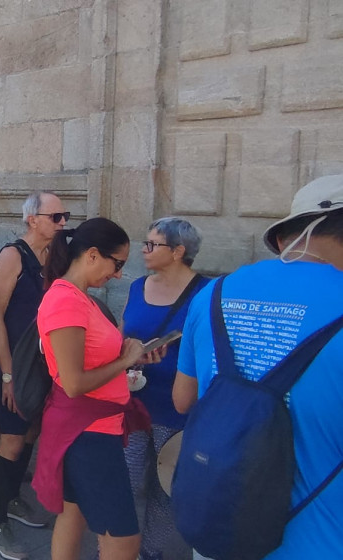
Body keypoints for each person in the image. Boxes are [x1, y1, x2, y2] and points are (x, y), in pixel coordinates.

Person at [172, 174, 343, 559]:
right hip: (320, 542)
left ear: (284, 239)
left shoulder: (212, 293)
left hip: (219, 529)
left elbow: (183, 400)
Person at [33, 217, 152, 560]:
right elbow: (74, 383)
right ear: (93, 255)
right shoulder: (66, 300)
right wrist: (125, 359)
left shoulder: (78, 297)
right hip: (88, 432)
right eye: (118, 264)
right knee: (123, 540)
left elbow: (92, 358)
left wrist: (130, 356)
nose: (118, 275)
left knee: (73, 514)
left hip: (90, 428)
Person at [0, 191, 67, 558]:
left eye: (64, 216)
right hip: (13, 363)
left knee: (31, 431)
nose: (62, 223)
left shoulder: (54, 255)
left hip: (41, 364)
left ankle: (13, 497)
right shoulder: (13, 256)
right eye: (56, 217)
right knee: (13, 439)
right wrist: (7, 375)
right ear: (32, 219)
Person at [120, 217, 208, 560]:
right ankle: (112, 550)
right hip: (133, 401)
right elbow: (121, 334)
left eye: (152, 244)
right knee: (123, 483)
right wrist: (129, 353)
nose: (143, 250)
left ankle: (151, 552)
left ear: (178, 251)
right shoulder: (137, 287)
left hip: (177, 406)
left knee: (165, 489)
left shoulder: (206, 293)